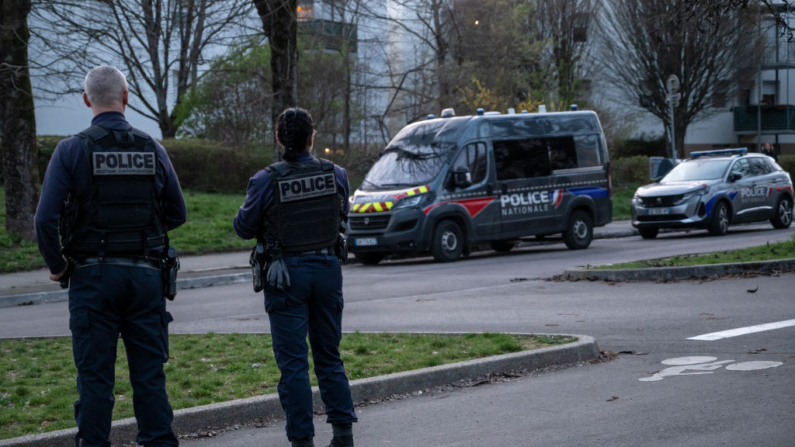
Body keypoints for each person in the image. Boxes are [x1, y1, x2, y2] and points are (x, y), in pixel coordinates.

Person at [34, 65, 187, 447]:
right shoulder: (152, 147)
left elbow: (44, 220)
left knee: (95, 379)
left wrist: (59, 265)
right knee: (149, 376)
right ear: (127, 96)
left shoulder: (71, 149)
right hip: (145, 276)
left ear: (86, 100)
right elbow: (178, 213)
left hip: (92, 279)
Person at [234, 108, 357, 447]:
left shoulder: (265, 180)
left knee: (294, 366)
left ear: (279, 139)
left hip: (285, 274)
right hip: (328, 270)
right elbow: (342, 213)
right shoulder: (337, 174)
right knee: (329, 356)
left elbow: (243, 227)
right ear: (312, 138)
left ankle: (302, 440)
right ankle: (343, 434)